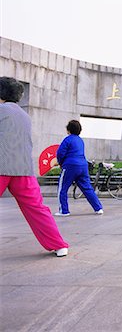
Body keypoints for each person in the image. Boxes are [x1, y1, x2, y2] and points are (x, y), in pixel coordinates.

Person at [0, 77, 69, 257]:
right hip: (23, 170)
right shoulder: (25, 116)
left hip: (1, 167)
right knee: (37, 209)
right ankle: (59, 245)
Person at [55, 120, 103, 216]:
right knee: (87, 188)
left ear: (68, 130)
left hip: (70, 166)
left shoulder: (67, 139)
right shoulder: (80, 140)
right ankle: (98, 208)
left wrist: (61, 163)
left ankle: (64, 211)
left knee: (62, 188)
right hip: (83, 166)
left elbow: (60, 153)